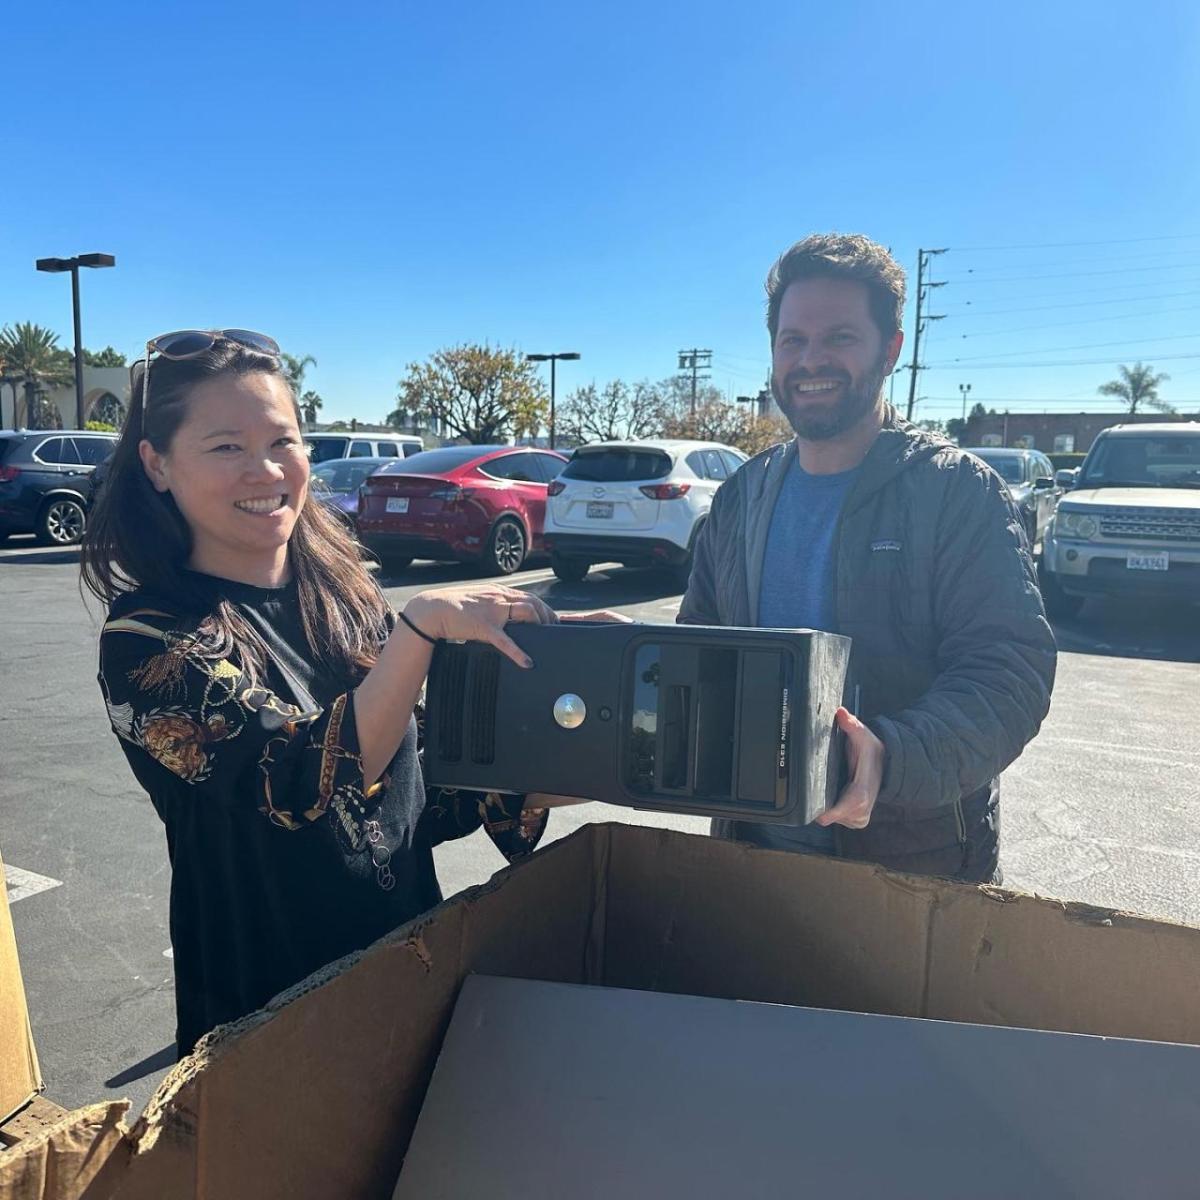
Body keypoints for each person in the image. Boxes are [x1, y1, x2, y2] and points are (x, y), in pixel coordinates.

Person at [80, 329, 597, 1056]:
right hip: (267, 1023)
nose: (265, 471)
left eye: (283, 442)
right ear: (157, 465)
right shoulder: (147, 640)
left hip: (409, 984)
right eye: (226, 446)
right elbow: (299, 781)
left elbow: (419, 795)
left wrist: (594, 758)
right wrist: (420, 630)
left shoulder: (346, 599)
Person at [678, 235, 1057, 882]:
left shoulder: (956, 491)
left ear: (891, 349)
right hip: (749, 864)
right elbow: (698, 652)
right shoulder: (743, 495)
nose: (811, 359)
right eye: (793, 339)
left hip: (910, 874)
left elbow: (1008, 675)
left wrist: (889, 758)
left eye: (840, 338)